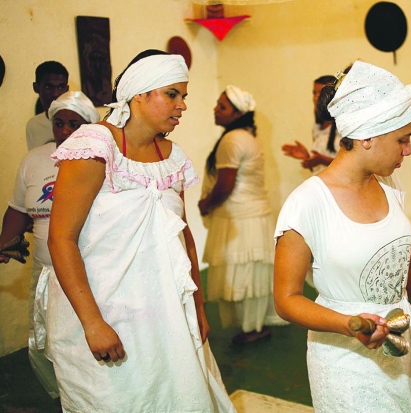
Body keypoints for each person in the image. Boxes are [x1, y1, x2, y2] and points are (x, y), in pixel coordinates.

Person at [45, 50, 235, 412]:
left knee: (172, 395)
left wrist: (197, 306)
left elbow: (184, 237)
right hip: (104, 308)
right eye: (172, 94)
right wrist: (93, 323)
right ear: (139, 94)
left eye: (184, 96)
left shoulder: (171, 156)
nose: (182, 106)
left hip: (163, 310)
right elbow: (61, 239)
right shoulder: (95, 146)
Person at [273, 60, 411, 412]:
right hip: (343, 360)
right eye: (402, 140)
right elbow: (286, 299)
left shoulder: (389, 186)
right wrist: (349, 325)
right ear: (365, 136)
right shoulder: (307, 203)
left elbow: (409, 265)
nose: (408, 151)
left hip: (405, 340)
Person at [0, 91, 100, 403]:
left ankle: (93, 398)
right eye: (59, 123)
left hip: (88, 272)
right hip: (44, 272)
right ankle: (64, 399)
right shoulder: (35, 160)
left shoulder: (98, 161)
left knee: (83, 340)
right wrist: (4, 243)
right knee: (47, 341)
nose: (66, 131)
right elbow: (18, 209)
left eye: (75, 124)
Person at [199, 85, 285, 344]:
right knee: (250, 274)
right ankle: (254, 325)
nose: (215, 109)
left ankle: (253, 328)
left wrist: (206, 203)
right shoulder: (245, 135)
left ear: (237, 114)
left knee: (244, 274)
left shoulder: (233, 139)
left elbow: (225, 185)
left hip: (241, 218)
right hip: (251, 215)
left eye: (222, 106)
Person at [281, 75, 342, 173]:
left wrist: (321, 160)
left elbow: (353, 166)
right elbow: (319, 168)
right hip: (321, 184)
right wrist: (308, 157)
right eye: (314, 93)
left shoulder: (343, 125)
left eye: (320, 92)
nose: (316, 97)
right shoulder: (317, 126)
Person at [26, 61, 69, 150]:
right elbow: (34, 160)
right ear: (36, 87)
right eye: (48, 87)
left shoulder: (80, 123)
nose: (55, 94)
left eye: (61, 87)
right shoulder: (33, 125)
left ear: (67, 89)